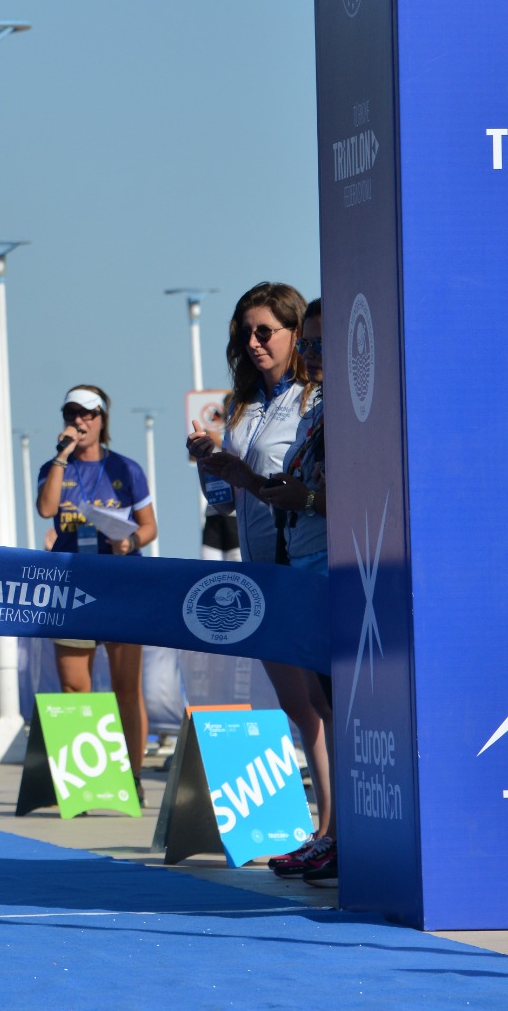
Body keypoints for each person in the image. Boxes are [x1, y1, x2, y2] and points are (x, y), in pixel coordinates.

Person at [186, 282, 336, 866]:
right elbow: (227, 500)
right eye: (244, 333)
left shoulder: (314, 398)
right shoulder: (245, 403)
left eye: (264, 331)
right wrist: (214, 465)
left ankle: (332, 831)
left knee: (322, 702)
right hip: (259, 565)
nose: (252, 343)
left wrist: (247, 478)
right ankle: (325, 830)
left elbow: (296, 487)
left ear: (295, 333)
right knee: (297, 707)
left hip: (299, 557)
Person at [35, 385, 158, 799]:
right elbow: (47, 510)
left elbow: (149, 525)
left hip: (121, 586)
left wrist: (132, 543)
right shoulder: (57, 466)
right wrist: (61, 456)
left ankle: (133, 776)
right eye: (72, 413)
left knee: (126, 687)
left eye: (88, 414)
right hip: (72, 588)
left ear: (103, 419)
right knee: (74, 687)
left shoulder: (127, 468)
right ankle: (82, 784)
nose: (80, 421)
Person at [255, 297, 337, 886]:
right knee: (317, 703)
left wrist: (304, 499)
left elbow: (358, 491)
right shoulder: (316, 412)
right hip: (301, 560)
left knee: (333, 708)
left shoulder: (349, 407)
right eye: (306, 345)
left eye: (316, 343)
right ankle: (334, 836)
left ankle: (340, 835)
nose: (310, 356)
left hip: (336, 561)